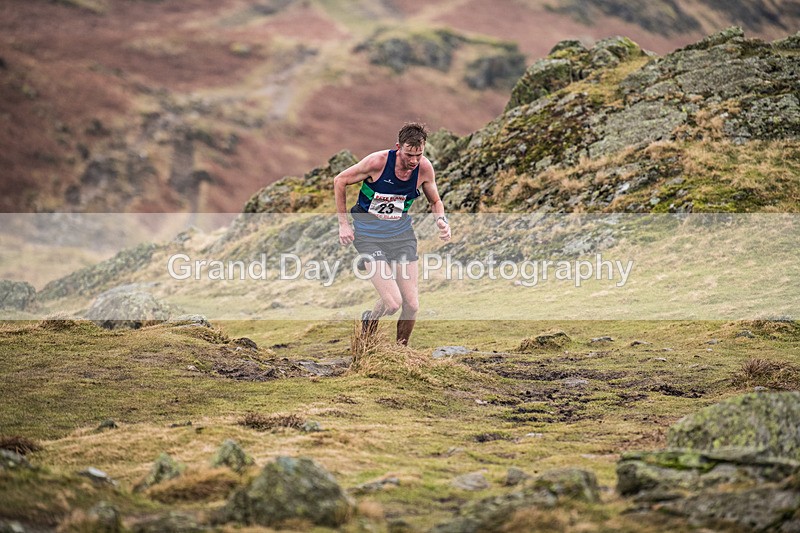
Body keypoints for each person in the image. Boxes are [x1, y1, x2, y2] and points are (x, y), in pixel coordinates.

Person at [334, 122, 451, 345]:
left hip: (401, 236)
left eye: (419, 154)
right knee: (392, 303)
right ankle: (370, 319)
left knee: (412, 305)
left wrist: (442, 221)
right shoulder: (377, 162)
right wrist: (343, 224)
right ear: (398, 147)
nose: (414, 161)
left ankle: (400, 352)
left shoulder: (424, 169)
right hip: (369, 236)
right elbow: (340, 180)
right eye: (409, 154)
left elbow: (435, 201)